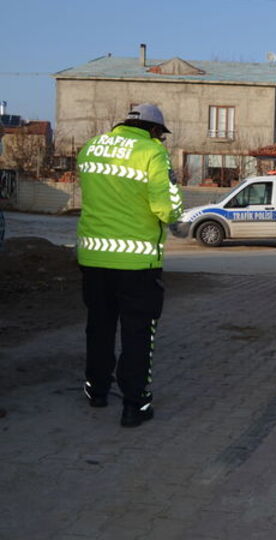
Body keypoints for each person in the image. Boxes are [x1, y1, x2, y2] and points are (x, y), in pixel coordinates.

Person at [76, 104, 183, 427]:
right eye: (160, 136)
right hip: (137, 263)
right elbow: (168, 211)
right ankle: (135, 405)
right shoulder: (152, 153)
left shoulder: (91, 147)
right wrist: (173, 186)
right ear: (153, 130)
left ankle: (96, 391)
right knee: (138, 333)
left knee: (99, 325)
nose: (161, 141)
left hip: (93, 257)